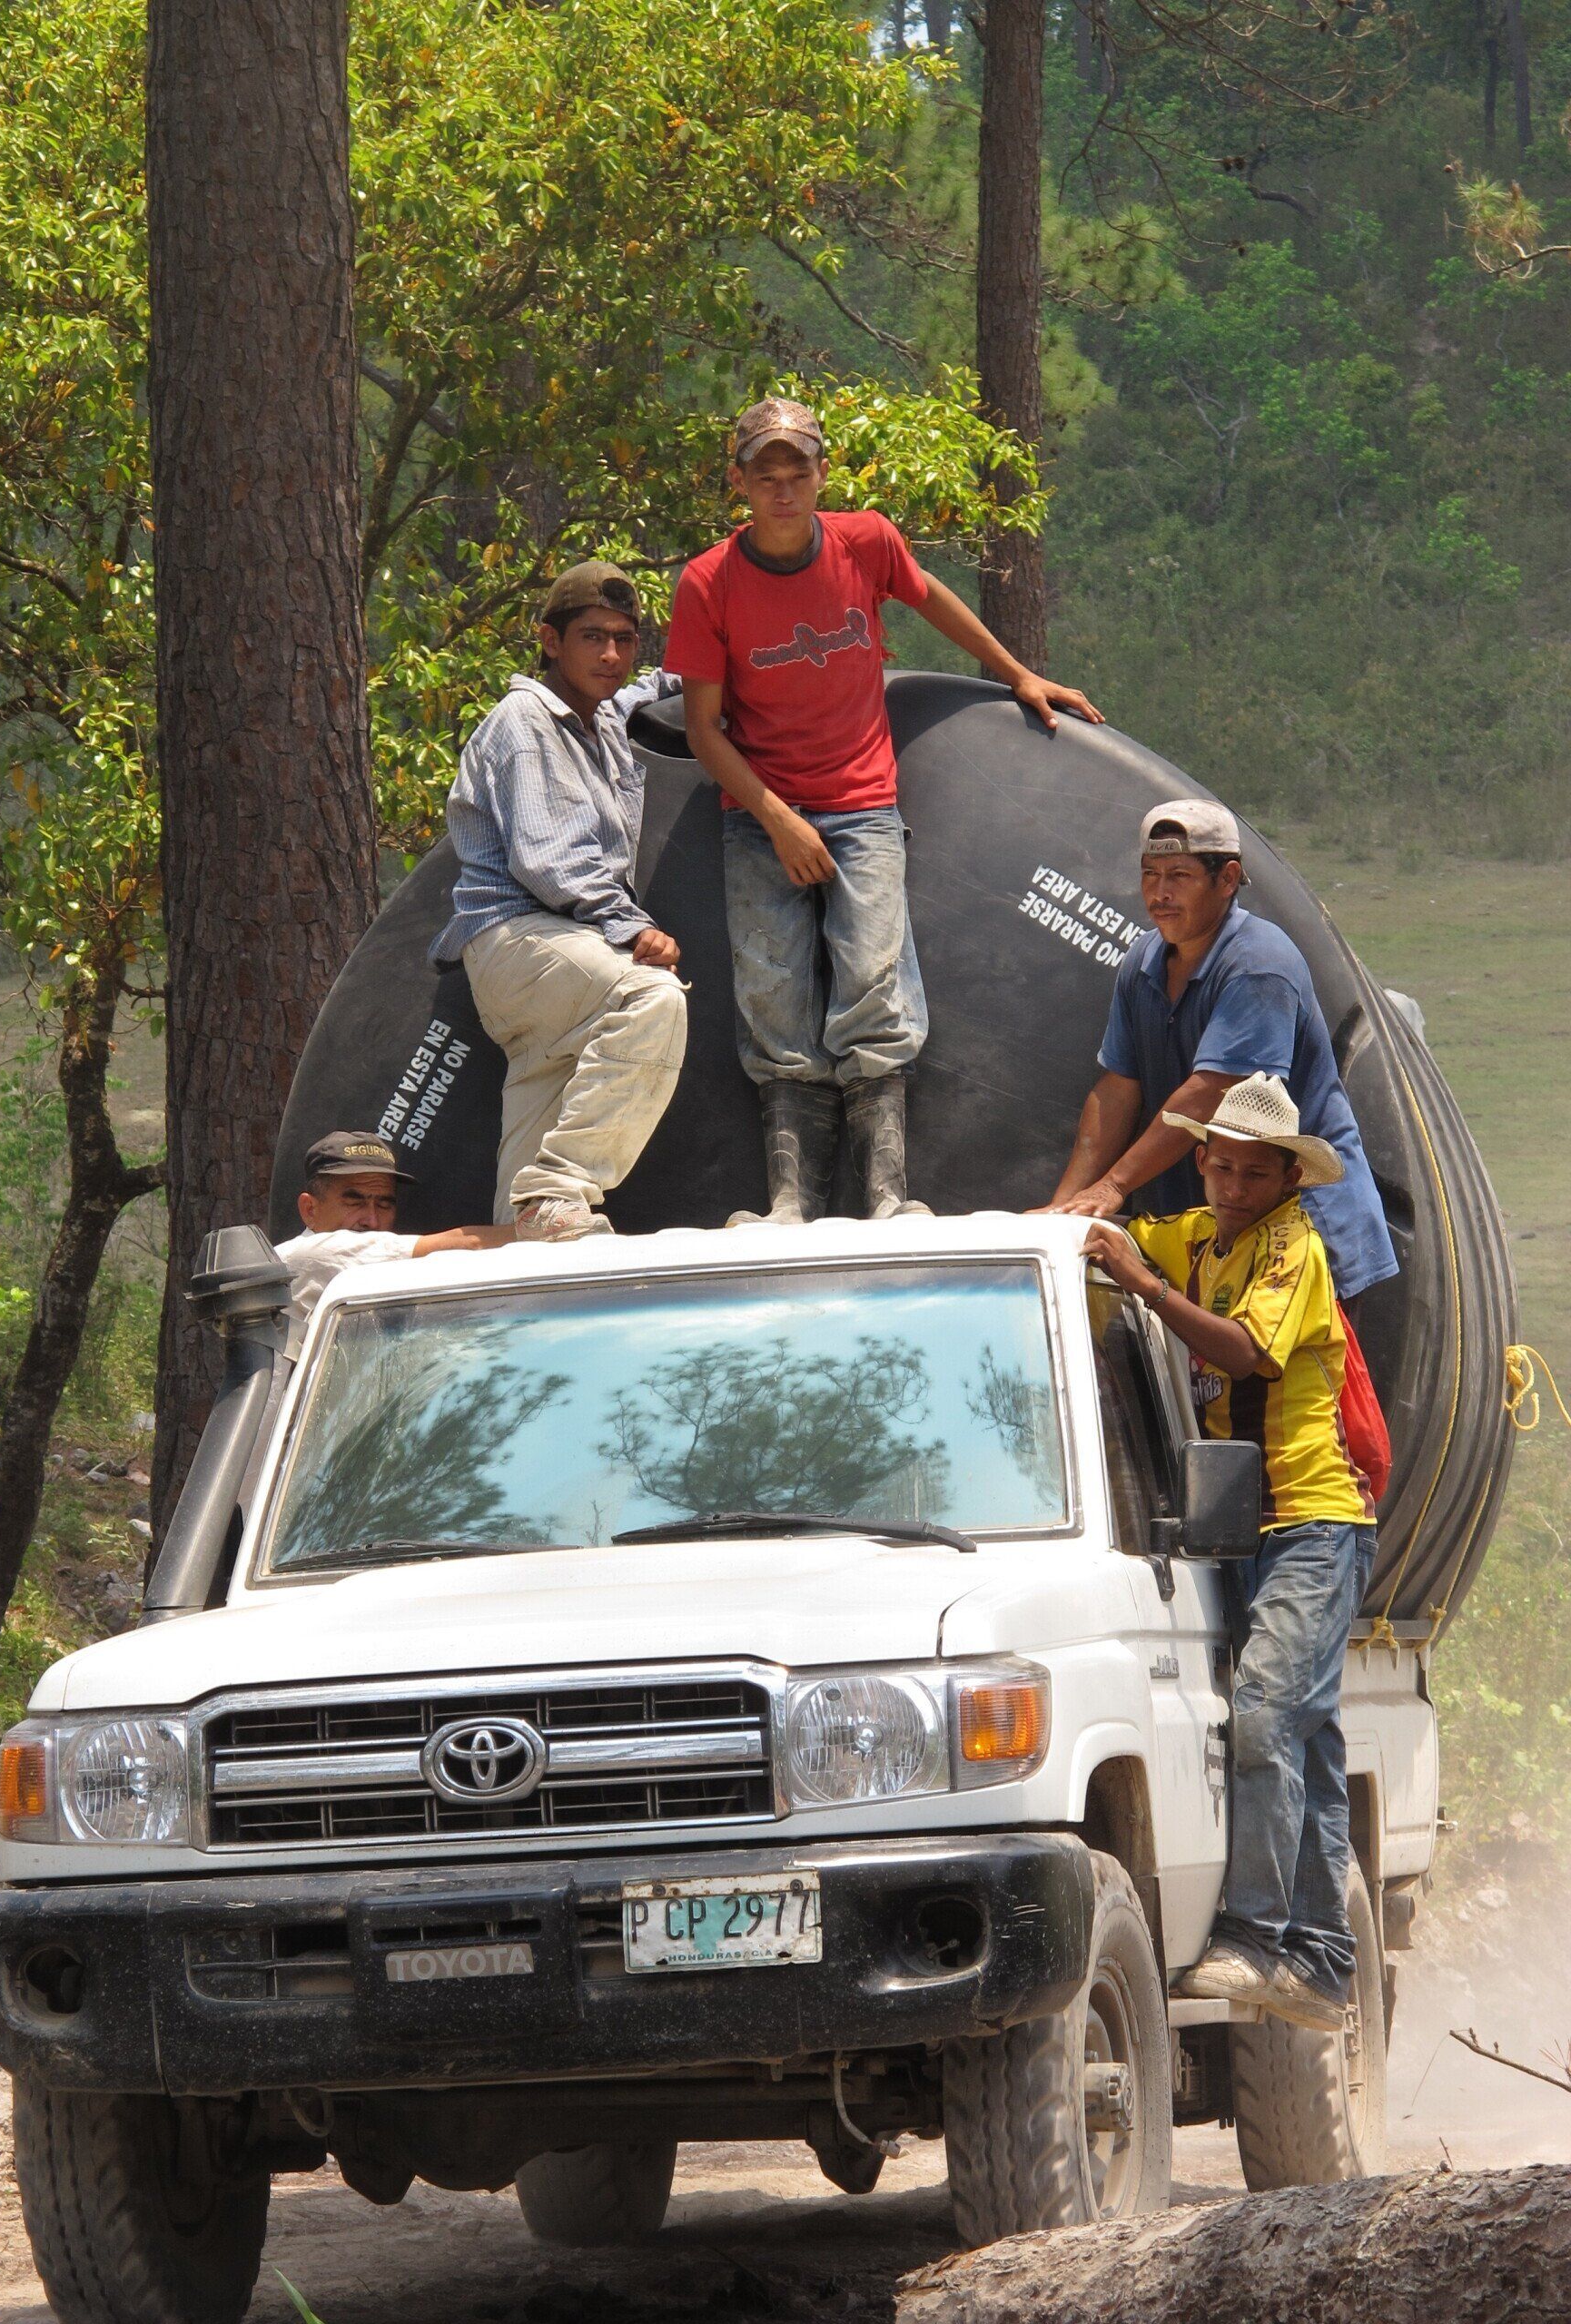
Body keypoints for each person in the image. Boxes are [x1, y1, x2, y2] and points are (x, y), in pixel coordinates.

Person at [666, 396, 1102, 1225]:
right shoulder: (710, 582)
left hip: (861, 802)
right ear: (740, 483)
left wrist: (1018, 675)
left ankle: (887, 1200)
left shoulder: (864, 540)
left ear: (822, 476)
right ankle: (790, 1205)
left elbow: (930, 595)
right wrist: (778, 819)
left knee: (874, 984)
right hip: (762, 811)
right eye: (768, 476)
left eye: (800, 473)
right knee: (774, 996)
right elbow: (703, 728)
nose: (785, 490)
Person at [1082, 1074, 1378, 2031]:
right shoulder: (1197, 1233)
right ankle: (1326, 1963)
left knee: (1260, 1717)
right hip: (1240, 1531)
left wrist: (1145, 1287)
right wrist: (1077, 1220)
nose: (1236, 1182)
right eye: (1224, 1164)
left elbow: (1246, 1351)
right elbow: (1109, 1241)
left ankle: (1254, 1937)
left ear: (1291, 1176)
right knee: (1305, 1742)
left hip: (1312, 1524)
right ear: (1203, 1158)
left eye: (1258, 1171)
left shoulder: (1294, 1248)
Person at [1046, 798, 1398, 1313]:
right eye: (1150, 874)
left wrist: (1114, 1187)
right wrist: (1066, 1208)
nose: (1160, 893)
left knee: (1292, 1388)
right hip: (1215, 1229)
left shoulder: (1258, 965)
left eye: (1180, 875)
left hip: (1300, 1228)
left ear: (1228, 878)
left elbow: (1215, 1090)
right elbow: (1119, 1088)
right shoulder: (1143, 960)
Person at [431, 562, 687, 1242]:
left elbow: (645, 692)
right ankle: (560, 1186)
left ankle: (524, 1251)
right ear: (550, 640)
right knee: (652, 997)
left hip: (555, 972)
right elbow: (552, 860)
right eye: (592, 637)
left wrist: (728, 659)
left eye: (625, 639)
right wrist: (633, 929)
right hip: (520, 938)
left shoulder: (598, 716)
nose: (610, 655)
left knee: (533, 1223)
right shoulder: (525, 722)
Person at [273, 1131, 511, 1356]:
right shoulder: (308, 1255)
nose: (372, 1220)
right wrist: (541, 1228)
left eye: (384, 1204)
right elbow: (471, 1244)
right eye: (355, 1203)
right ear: (309, 1209)